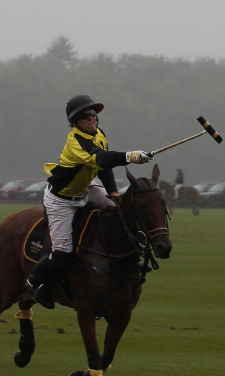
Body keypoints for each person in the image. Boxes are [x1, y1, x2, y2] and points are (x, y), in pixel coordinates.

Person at [26, 94, 154, 309]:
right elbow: (102, 158)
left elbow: (104, 167)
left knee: (120, 213)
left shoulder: (99, 134)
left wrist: (113, 192)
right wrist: (131, 156)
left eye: (94, 113)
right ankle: (34, 283)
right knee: (62, 252)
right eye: (85, 115)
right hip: (62, 200)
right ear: (74, 122)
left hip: (86, 190)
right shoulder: (75, 142)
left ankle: (130, 259)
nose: (92, 118)